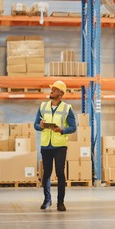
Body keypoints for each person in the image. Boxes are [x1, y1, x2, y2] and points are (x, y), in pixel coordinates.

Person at [34, 80, 76, 211]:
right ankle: (47, 200)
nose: (51, 91)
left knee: (60, 173)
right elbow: (35, 124)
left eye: (55, 90)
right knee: (46, 173)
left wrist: (62, 130)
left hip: (59, 146)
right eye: (52, 89)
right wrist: (40, 126)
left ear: (61, 93)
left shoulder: (67, 108)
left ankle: (60, 202)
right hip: (46, 145)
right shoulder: (43, 106)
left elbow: (73, 127)